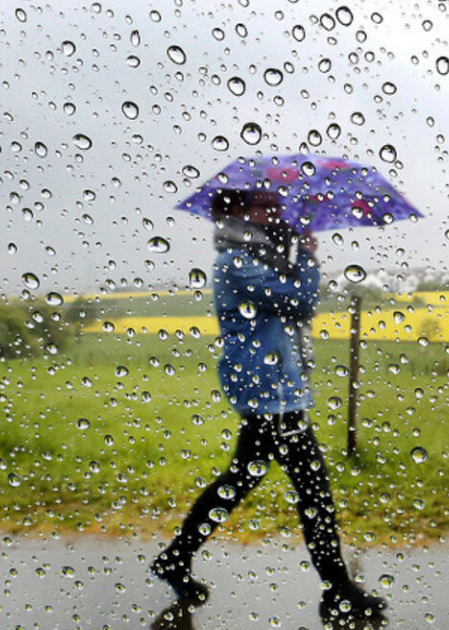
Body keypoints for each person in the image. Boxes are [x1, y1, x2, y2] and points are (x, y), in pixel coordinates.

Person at [152, 189, 387, 628]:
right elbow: (298, 302)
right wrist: (309, 257)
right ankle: (339, 591)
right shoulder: (237, 263)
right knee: (313, 491)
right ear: (240, 212)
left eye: (279, 206)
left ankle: (175, 559)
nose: (279, 213)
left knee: (241, 478)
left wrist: (295, 250)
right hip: (268, 393)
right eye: (267, 207)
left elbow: (289, 307)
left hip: (275, 388)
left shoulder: (259, 256)